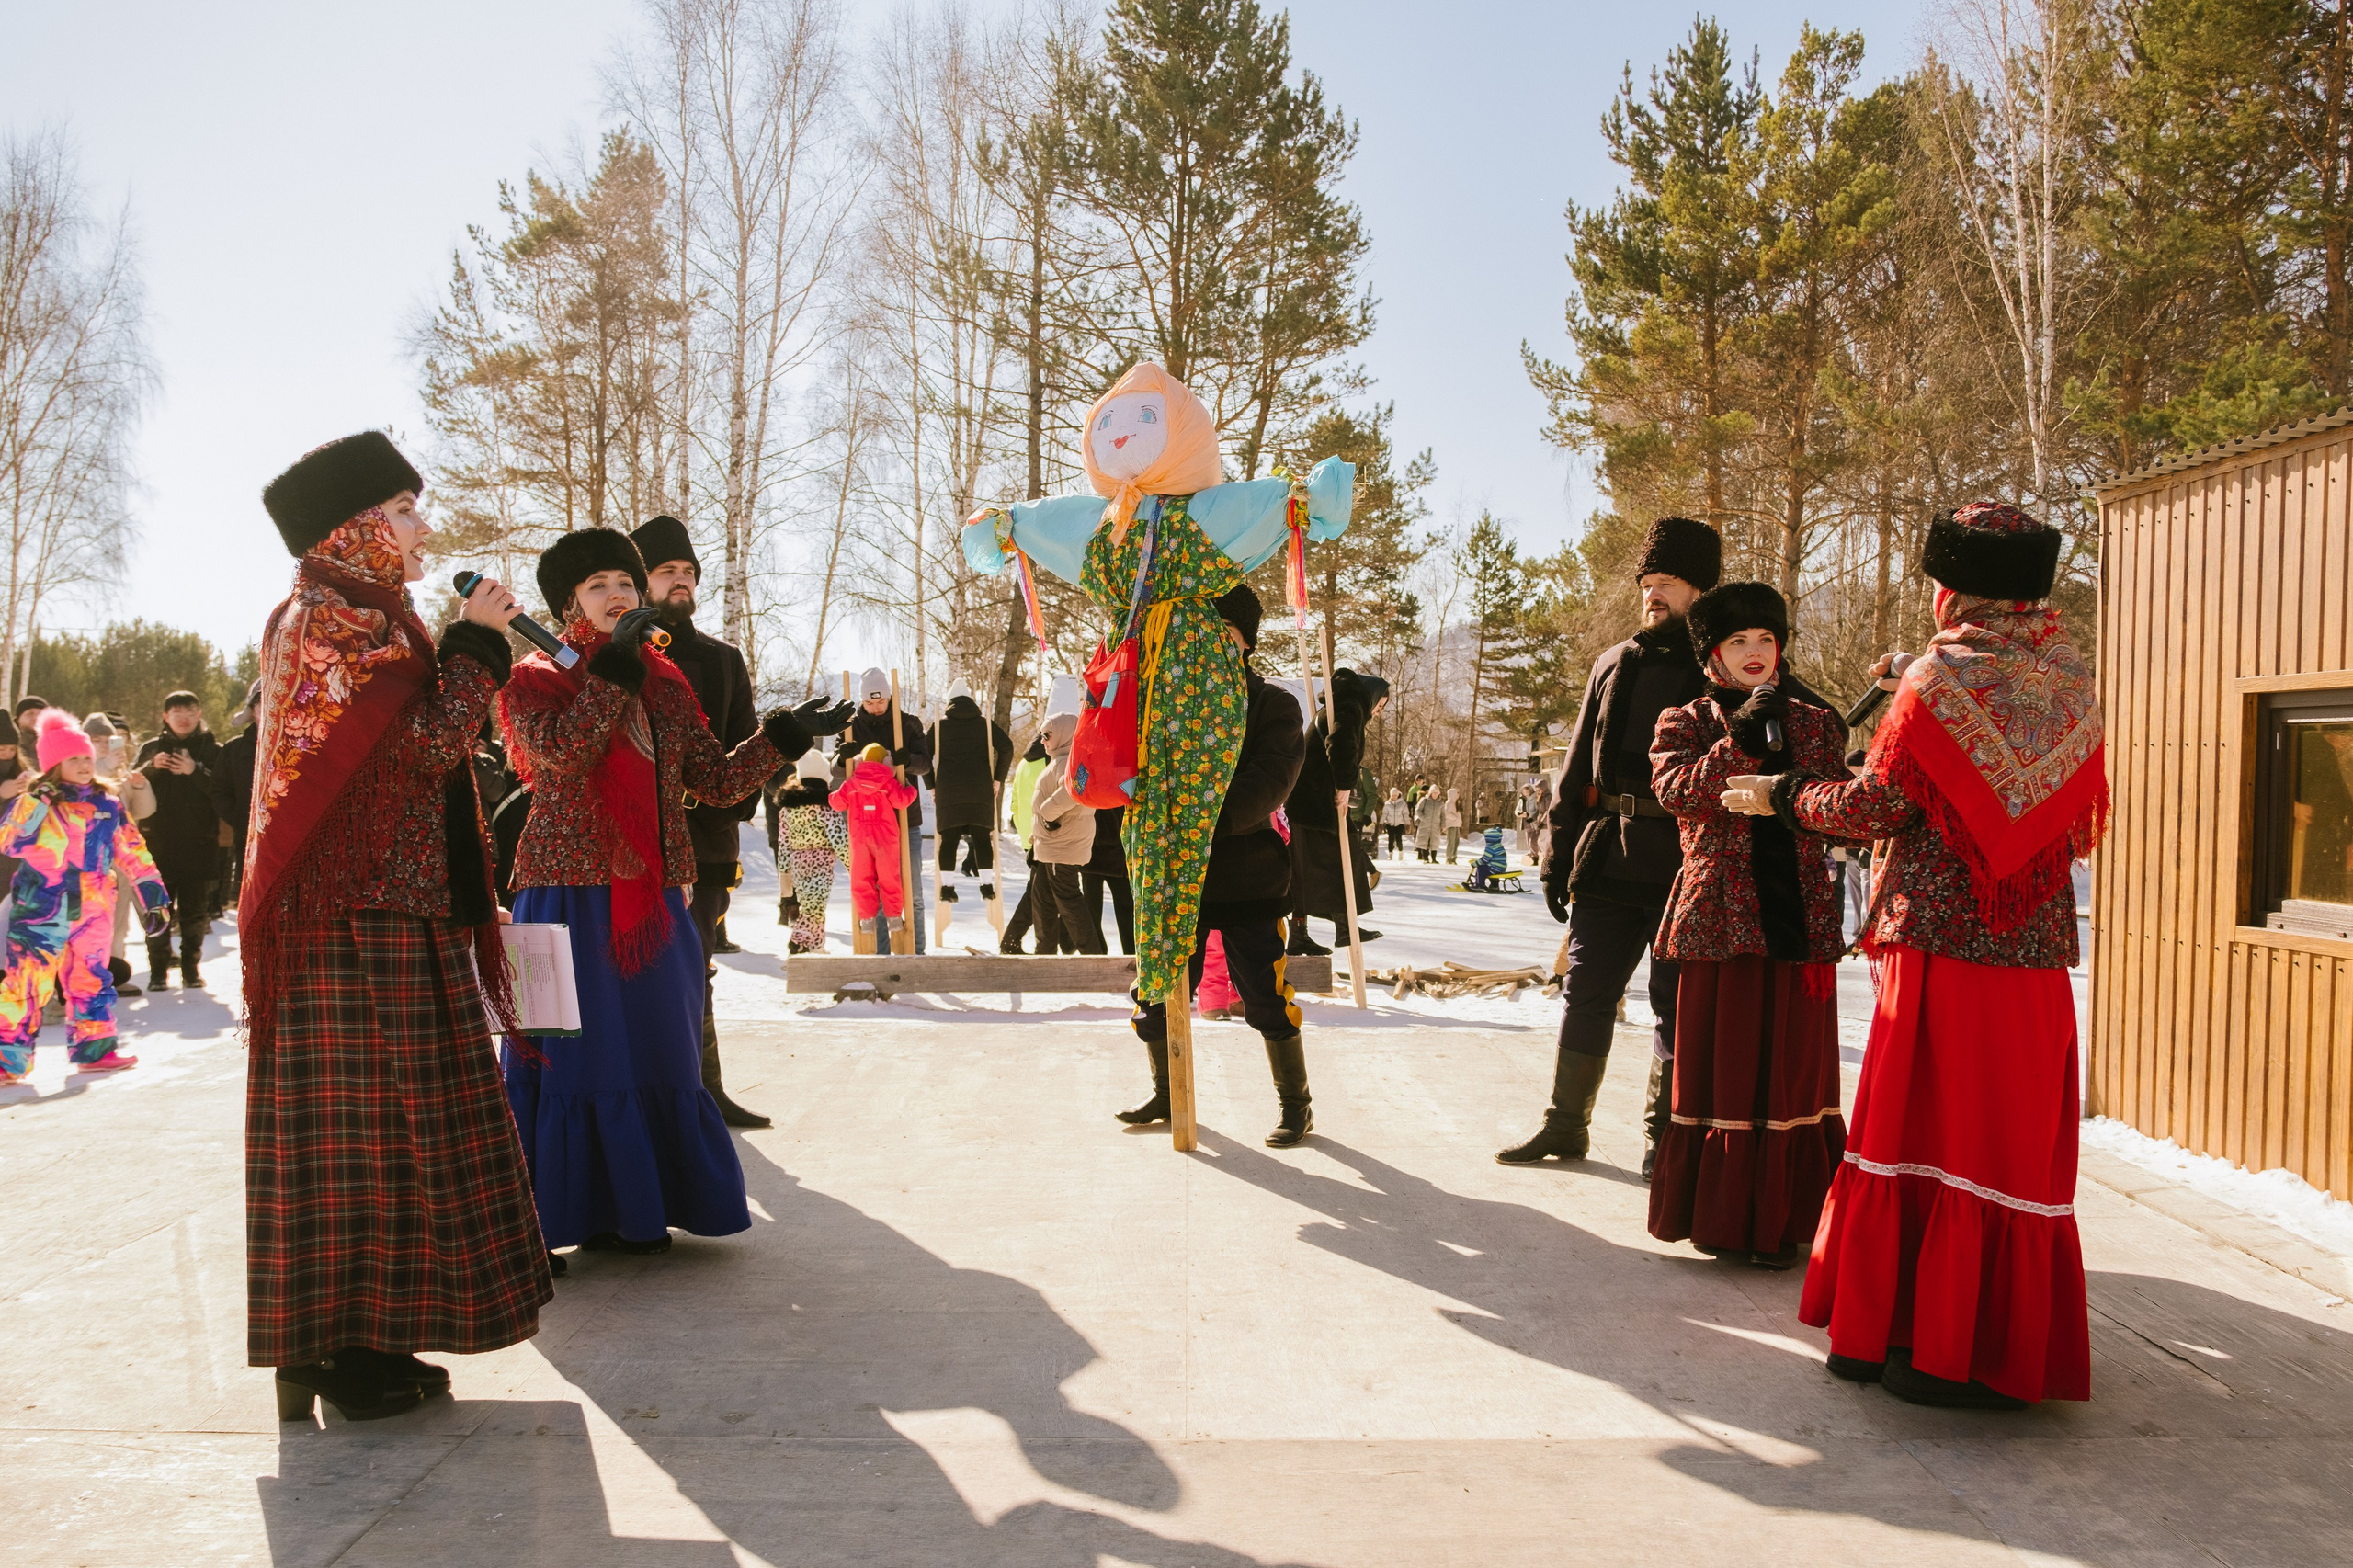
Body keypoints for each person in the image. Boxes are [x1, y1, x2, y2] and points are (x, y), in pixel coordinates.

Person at [1729, 501, 2105, 1410]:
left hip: (1933, 941)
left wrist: (1782, 794)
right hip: (2030, 947)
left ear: (1953, 588)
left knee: (1910, 1132)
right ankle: (1969, 1345)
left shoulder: (1937, 677)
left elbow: (1876, 806)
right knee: (1999, 1143)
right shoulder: (2071, 680)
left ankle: (1891, 1335)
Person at [244, 429, 549, 1423]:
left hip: (397, 902)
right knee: (359, 1137)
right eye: (408, 510)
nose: (426, 529)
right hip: (347, 913)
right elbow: (421, 748)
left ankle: (369, 1333)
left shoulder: (378, 615)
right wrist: (475, 649)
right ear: (358, 525)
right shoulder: (324, 619)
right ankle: (329, 1344)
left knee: (396, 1134)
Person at [962, 362, 1352, 1011]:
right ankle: (1161, 1021)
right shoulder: (1107, 526)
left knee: (1248, 964)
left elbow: (1263, 505)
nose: (1122, 437)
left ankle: (1255, 1061)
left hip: (1218, 786)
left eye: (1144, 420)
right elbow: (1048, 523)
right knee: (1158, 893)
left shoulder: (1208, 524)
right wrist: (1009, 525)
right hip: (1134, 702)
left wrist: (1304, 500)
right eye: (1109, 425)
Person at [499, 526, 842, 1256]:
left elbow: (711, 782)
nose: (618, 595)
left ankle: (648, 1205)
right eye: (599, 587)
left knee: (662, 1050)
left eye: (625, 583)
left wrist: (784, 738)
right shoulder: (534, 678)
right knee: (579, 1058)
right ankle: (572, 1210)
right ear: (569, 602)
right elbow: (558, 759)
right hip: (565, 894)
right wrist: (613, 674)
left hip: (654, 896)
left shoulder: (666, 680)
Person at [1502, 517, 1722, 1170]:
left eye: (1668, 584)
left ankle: (1665, 1141)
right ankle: (1566, 1124)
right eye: (1647, 584)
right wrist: (1555, 855)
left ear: (1699, 591)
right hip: (1607, 856)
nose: (1653, 595)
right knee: (1586, 993)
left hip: (1685, 864)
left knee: (1673, 1006)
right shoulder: (1613, 662)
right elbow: (1574, 772)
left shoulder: (1722, 667)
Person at [1646, 583, 1848, 1269]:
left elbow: (1833, 806)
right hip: (1720, 917)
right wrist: (1740, 737)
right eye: (1738, 642)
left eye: (1765, 639)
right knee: (1726, 1059)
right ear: (1711, 654)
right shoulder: (1684, 720)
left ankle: (1793, 1215)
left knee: (1791, 1065)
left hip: (1796, 912)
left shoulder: (1816, 720)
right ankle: (1725, 1216)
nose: (1755, 653)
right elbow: (1681, 795)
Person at [1118, 584, 1313, 1144]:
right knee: (1158, 991)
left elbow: (1270, 781)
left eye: (1219, 632)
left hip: (1250, 876)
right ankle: (1166, 1090)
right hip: (1177, 881)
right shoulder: (1163, 701)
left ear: (1244, 641)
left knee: (1265, 995)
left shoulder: (1273, 704)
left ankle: (1295, 1104)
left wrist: (1199, 823)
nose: (1204, 644)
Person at [630, 512, 770, 1129]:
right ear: (641, 581)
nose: (680, 583)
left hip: (706, 847)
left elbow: (743, 744)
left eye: (688, 572)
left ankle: (704, 1092)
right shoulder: (618, 659)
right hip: (629, 848)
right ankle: (647, 1098)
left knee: (695, 969)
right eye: (667, 572)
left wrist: (717, 804)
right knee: (632, 975)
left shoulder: (721, 659)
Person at [0, 710, 170, 1080]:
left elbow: (134, 852)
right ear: (53, 763)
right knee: (26, 983)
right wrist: (36, 801)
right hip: (41, 907)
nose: (83, 764)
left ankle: (94, 1050)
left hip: (93, 907)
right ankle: (6, 1061)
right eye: (73, 758)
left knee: (91, 978)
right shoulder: (37, 803)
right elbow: (8, 841)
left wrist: (154, 897)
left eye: (87, 758)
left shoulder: (106, 804)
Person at [1284, 668, 1382, 953]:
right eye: (1381, 703)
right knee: (1329, 864)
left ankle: (1340, 927)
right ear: (1371, 695)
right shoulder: (1349, 706)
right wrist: (1344, 784)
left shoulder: (1340, 705)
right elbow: (1340, 744)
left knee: (1334, 863)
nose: (1378, 711)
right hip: (1313, 801)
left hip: (1312, 800)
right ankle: (1320, 932)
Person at [133, 690, 221, 990]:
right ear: (165, 717)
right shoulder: (151, 748)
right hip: (157, 846)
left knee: (196, 915)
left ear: (198, 714)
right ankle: (158, 973)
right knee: (157, 912)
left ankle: (191, 971)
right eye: (176, 712)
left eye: (189, 711)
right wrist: (151, 769)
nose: (183, 718)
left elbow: (223, 792)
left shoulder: (212, 749)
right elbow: (130, 788)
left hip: (200, 845)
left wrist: (194, 771)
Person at [844, 668, 933, 953]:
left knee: (913, 893)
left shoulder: (907, 724)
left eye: (880, 701)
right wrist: (841, 759)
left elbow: (926, 764)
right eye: (870, 703)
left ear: (889, 696)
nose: (875, 707)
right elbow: (838, 771)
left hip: (906, 820)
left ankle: (915, 953)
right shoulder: (851, 727)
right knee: (875, 892)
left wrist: (909, 760)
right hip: (868, 824)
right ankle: (880, 957)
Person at [932, 676, 1012, 939]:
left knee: (949, 839)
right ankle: (987, 885)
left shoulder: (939, 726)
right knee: (982, 838)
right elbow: (1007, 747)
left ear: (949, 703)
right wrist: (998, 778)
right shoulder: (984, 724)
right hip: (979, 788)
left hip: (949, 789)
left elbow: (923, 752)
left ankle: (947, 888)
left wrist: (931, 786)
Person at [83, 711, 155, 998]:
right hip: (87, 862)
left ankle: (115, 974)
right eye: (95, 740)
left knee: (118, 921)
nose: (102, 745)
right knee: (87, 923)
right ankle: (86, 979)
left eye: (106, 740)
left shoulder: (119, 772)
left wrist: (139, 786)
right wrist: (103, 766)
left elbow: (143, 811)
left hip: (119, 860)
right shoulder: (74, 769)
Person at [832, 742, 919, 952]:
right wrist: (911, 789)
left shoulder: (852, 783)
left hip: (860, 836)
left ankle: (867, 920)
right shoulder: (888, 781)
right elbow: (902, 801)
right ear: (885, 761)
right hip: (885, 836)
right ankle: (894, 917)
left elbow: (836, 803)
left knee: (862, 878)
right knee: (889, 877)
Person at [1029, 712, 1104, 953]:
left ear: (1063, 734)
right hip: (1054, 844)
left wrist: (1047, 812)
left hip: (1061, 845)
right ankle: (1045, 951)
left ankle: (1093, 955)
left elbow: (1075, 789)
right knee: (1042, 900)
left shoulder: (1068, 763)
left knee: (1068, 902)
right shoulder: (1065, 760)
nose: (1043, 740)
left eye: (1047, 735)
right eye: (1042, 735)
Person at [772, 746, 847, 953]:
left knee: (811, 904)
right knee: (816, 906)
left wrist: (785, 873)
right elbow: (839, 837)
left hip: (797, 861)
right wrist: (853, 864)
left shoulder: (788, 808)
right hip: (821, 860)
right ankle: (797, 940)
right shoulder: (826, 806)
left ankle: (816, 945)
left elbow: (784, 842)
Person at [996, 729, 1064, 956]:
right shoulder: (1051, 762)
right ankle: (1041, 947)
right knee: (1044, 894)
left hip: (1030, 836)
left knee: (1035, 891)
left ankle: (1011, 941)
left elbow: (1014, 804)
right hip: (1046, 836)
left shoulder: (1025, 763)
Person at [212, 682, 260, 910]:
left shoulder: (303, 745)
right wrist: (241, 819)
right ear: (252, 709)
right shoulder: (234, 750)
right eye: (260, 702)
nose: (268, 707)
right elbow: (220, 791)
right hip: (246, 841)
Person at [1081, 803, 1136, 956]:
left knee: (1093, 907)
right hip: (1109, 852)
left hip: (1098, 851)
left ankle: (1099, 952)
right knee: (1120, 908)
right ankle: (1129, 952)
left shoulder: (1086, 779)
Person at [1413, 784, 1445, 863]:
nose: (1435, 794)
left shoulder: (1441, 803)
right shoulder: (1424, 800)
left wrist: (1443, 825)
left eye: (1437, 793)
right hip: (1425, 824)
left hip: (1436, 825)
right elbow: (1418, 810)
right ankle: (1425, 858)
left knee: (1434, 841)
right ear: (1430, 793)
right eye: (1433, 792)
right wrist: (1423, 818)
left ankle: (1434, 859)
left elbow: (1443, 815)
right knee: (1424, 841)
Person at [1379, 788, 1409, 858]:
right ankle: (1390, 854)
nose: (1394, 797)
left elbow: (1405, 814)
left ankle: (1400, 852)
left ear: (1398, 795)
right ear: (1391, 795)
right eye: (1393, 795)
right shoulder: (1387, 804)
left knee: (1399, 838)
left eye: (1396, 795)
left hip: (1400, 824)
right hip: (1390, 824)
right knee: (1391, 839)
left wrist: (1408, 824)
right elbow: (1384, 814)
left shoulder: (1402, 804)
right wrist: (1381, 823)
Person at [1443, 786, 1464, 863]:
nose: (1458, 796)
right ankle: (1448, 857)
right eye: (1457, 794)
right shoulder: (1449, 803)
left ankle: (1454, 857)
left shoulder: (1456, 803)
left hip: (1456, 825)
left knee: (1456, 842)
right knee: (1451, 841)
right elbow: (1447, 814)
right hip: (1451, 825)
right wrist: (1455, 818)